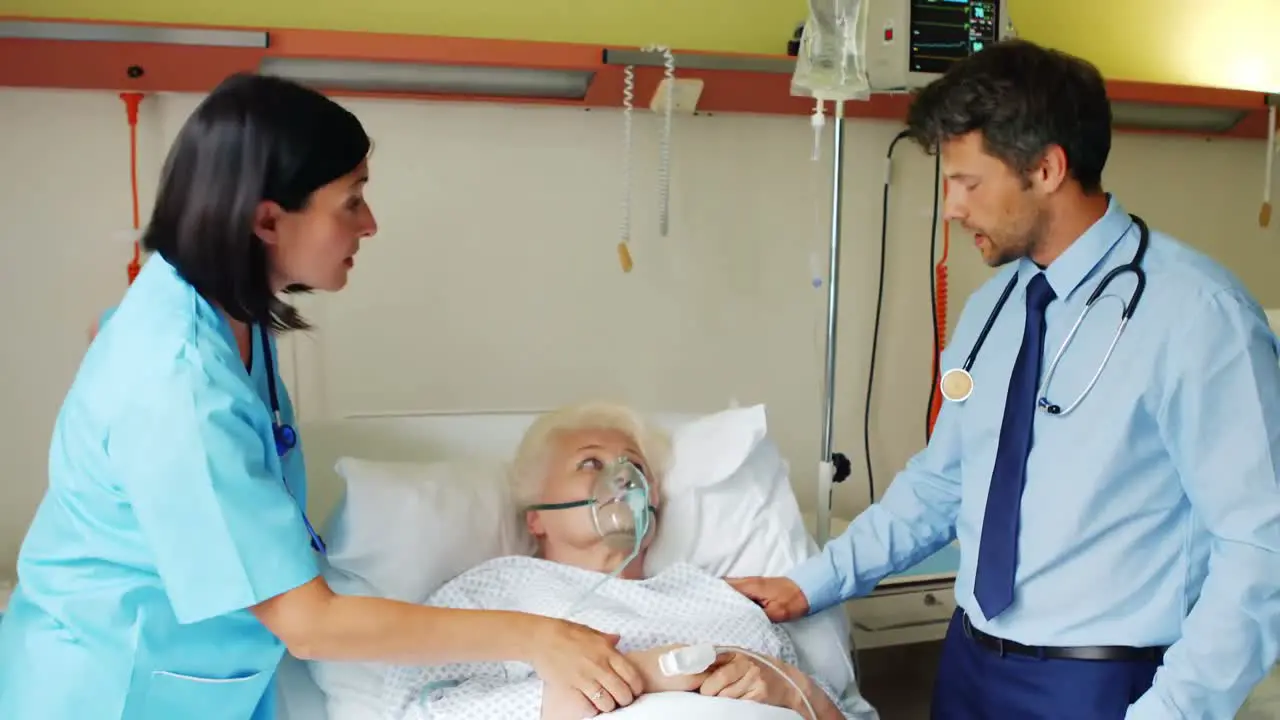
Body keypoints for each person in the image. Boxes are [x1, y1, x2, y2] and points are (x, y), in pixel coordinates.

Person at [0, 74, 643, 720]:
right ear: (267, 220)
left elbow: (120, 342)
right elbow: (308, 622)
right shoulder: (179, 386)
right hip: (111, 688)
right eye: (351, 200)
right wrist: (537, 637)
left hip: (206, 677)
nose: (370, 223)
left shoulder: (216, 309)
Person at [729, 38, 1280, 719]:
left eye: (968, 182)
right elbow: (942, 481)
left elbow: (1261, 545)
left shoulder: (1199, 316)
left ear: (1046, 168)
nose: (952, 207)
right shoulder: (995, 308)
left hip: (1106, 684)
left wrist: (1175, 710)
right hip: (969, 666)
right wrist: (813, 582)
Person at [374, 402, 867, 720]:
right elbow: (412, 707)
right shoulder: (495, 591)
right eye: (590, 463)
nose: (623, 478)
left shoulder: (717, 597)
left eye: (637, 468)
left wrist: (791, 688)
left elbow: (841, 713)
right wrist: (619, 683)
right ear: (536, 517)